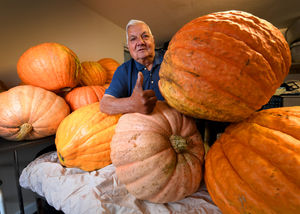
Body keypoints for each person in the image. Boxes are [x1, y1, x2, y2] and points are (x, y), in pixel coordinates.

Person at [100, 19, 165, 115]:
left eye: (145, 36)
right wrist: (132, 104)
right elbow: (104, 104)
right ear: (129, 47)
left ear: (153, 40)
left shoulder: (171, 59)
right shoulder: (123, 70)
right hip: (142, 128)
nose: (140, 42)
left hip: (181, 123)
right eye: (133, 39)